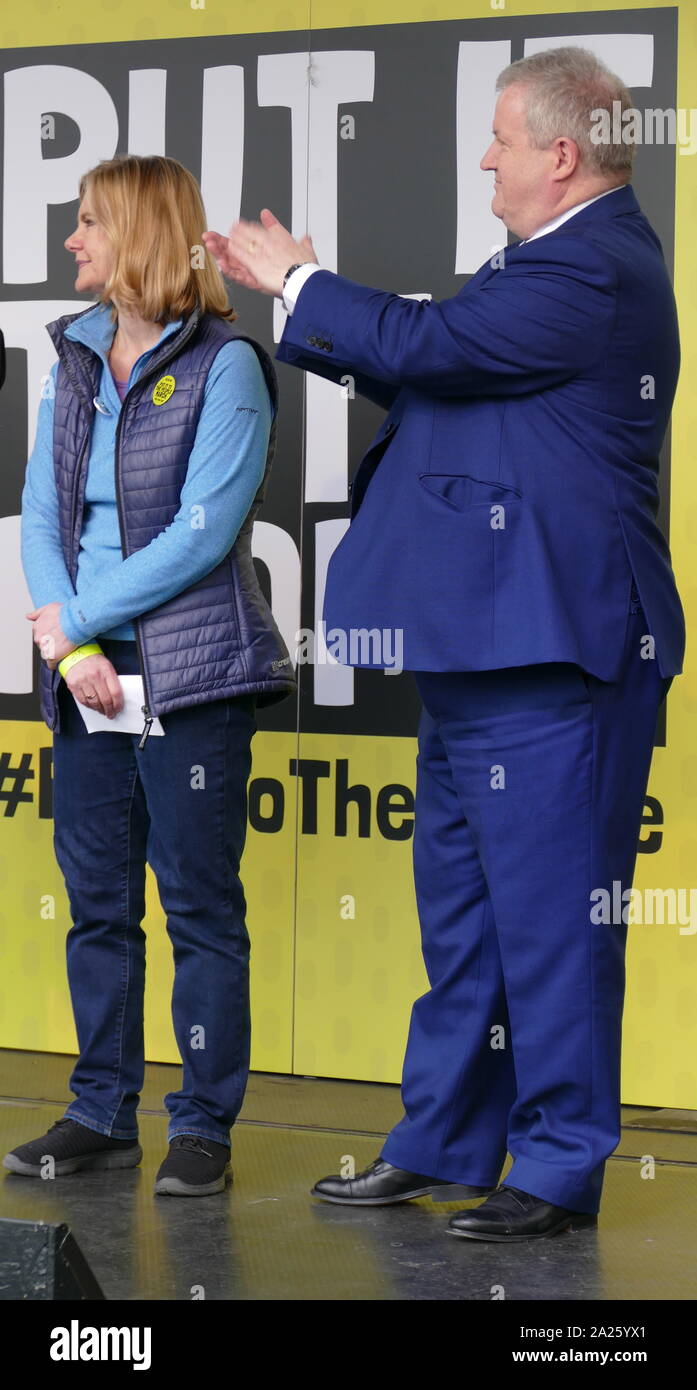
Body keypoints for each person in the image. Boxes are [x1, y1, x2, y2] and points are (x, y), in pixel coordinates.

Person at [203, 46, 684, 1239]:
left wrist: (307, 280)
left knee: (555, 924)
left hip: (556, 653)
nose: (483, 161)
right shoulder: (536, 272)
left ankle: (558, 1164)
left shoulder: (598, 268)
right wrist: (317, 305)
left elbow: (433, 352)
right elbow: (433, 371)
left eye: (501, 142)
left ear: (561, 154)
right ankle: (444, 1139)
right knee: (464, 917)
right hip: (485, 647)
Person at [4, 154, 295, 1198]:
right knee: (97, 906)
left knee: (200, 909)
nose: (73, 240)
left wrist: (71, 620)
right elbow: (40, 516)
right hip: (85, 678)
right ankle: (100, 1113)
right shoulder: (73, 360)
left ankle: (204, 1125)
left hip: (192, 679)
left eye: (89, 223)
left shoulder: (228, 366)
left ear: (135, 234)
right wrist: (73, 652)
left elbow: (201, 536)